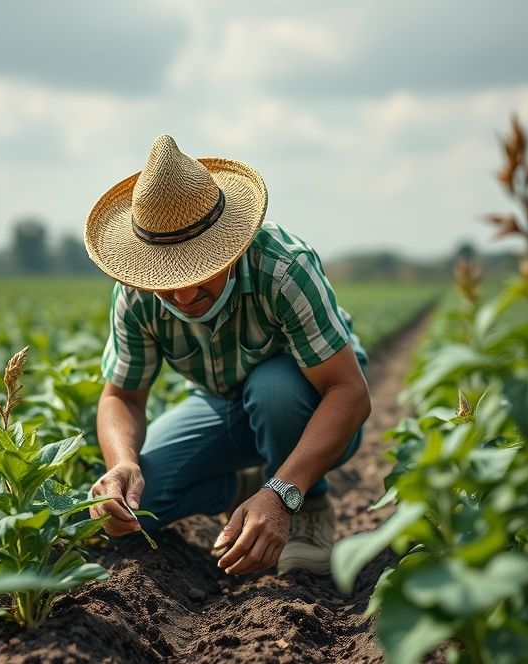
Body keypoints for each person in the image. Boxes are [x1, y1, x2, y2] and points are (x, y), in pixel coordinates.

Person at [83, 134, 371, 576]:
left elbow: (348, 393)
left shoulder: (282, 268)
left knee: (272, 387)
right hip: (223, 403)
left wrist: (284, 495)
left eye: (201, 270)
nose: (183, 292)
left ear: (230, 248)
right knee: (137, 507)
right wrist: (122, 463)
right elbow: (121, 396)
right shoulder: (135, 295)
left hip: (309, 403)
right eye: (167, 276)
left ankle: (306, 503)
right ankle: (245, 487)